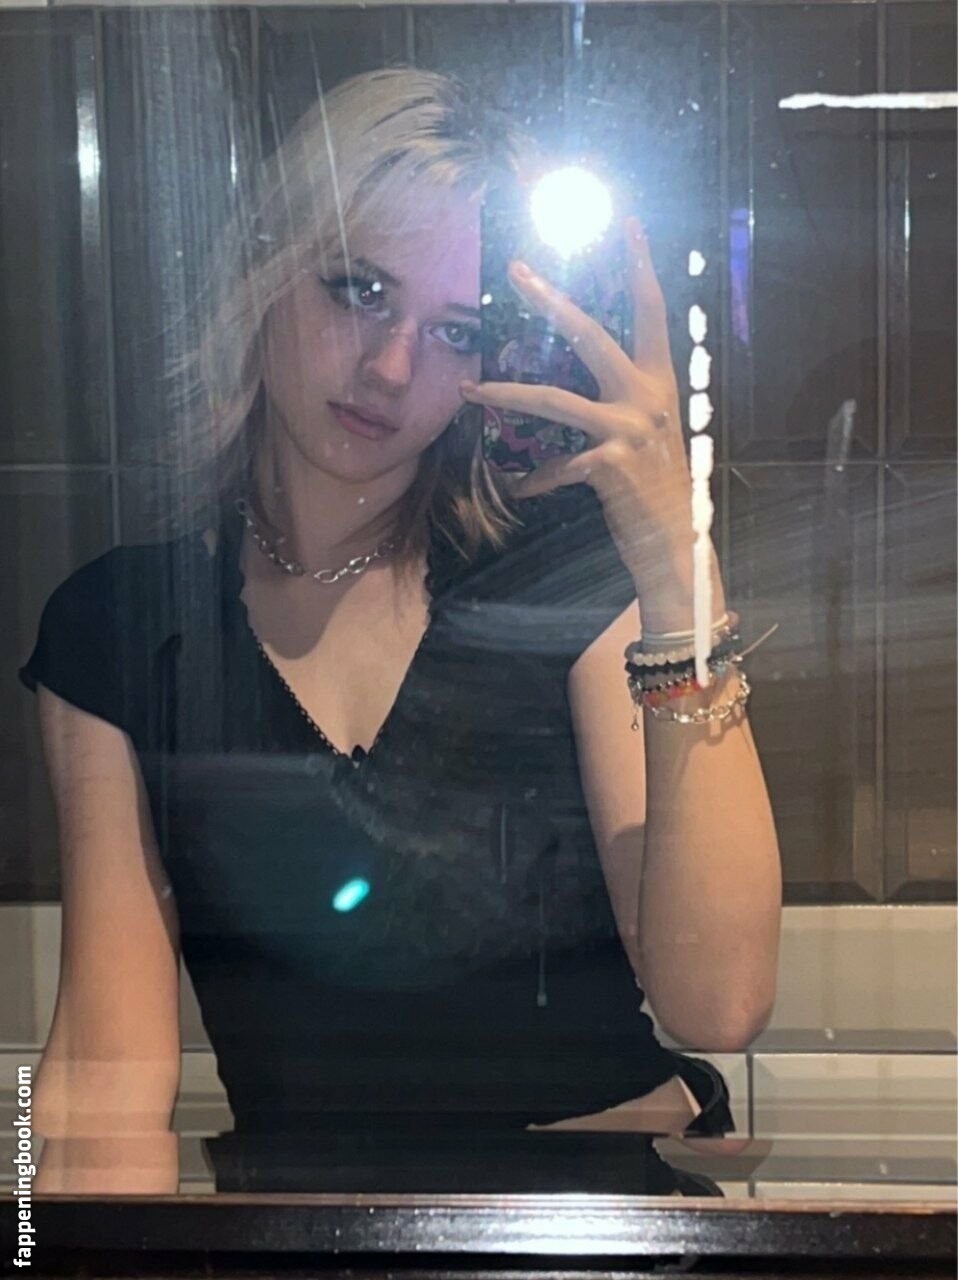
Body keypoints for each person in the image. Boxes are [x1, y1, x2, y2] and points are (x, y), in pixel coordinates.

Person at [18, 67, 782, 1197]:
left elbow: (718, 1002)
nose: (389, 367)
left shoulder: (559, 575)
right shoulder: (123, 628)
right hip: (309, 1244)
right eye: (359, 290)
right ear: (266, 268)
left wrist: (678, 566)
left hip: (605, 1236)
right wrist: (31, 1253)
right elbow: (101, 1078)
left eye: (455, 331)